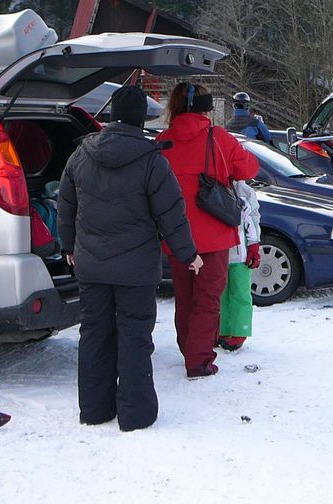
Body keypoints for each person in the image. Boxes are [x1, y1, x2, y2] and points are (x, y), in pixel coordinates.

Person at [57, 85, 202, 431]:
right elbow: (171, 214)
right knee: (135, 337)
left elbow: (66, 207)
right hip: (136, 271)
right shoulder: (152, 161)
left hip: (91, 266)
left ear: (111, 115)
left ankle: (94, 410)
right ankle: (135, 415)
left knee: (94, 335)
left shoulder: (80, 155)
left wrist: (69, 247)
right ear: (140, 120)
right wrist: (189, 255)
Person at [156, 82, 259, 378]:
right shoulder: (219, 138)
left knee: (185, 298)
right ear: (207, 109)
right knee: (208, 299)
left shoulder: (163, 141)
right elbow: (249, 169)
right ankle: (198, 360)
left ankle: (188, 348)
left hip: (176, 235)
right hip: (214, 233)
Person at [217, 180, 261, 351]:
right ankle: (223, 329)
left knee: (240, 293)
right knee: (221, 293)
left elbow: (251, 220)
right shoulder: (213, 186)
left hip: (240, 255)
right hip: (219, 251)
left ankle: (239, 330)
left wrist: (253, 245)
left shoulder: (244, 192)